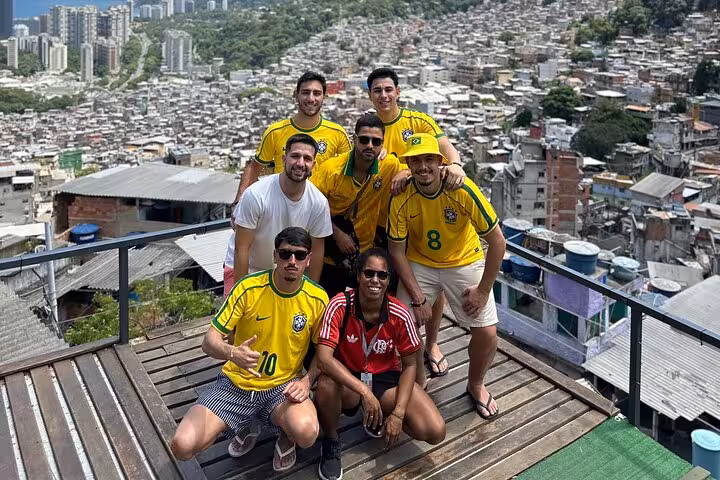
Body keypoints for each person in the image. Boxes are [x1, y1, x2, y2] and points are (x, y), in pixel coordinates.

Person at [170, 227, 328, 472]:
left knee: (307, 433)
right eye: (285, 254)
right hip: (237, 383)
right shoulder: (248, 287)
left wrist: (307, 381)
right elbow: (208, 341)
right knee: (182, 445)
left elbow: (323, 350)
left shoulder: (317, 298)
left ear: (309, 260)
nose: (292, 261)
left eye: (299, 255)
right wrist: (232, 353)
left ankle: (284, 435)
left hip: (282, 386)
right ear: (275, 256)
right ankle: (244, 423)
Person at [387, 133, 506, 420]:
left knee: (487, 332)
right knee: (405, 323)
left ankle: (475, 383)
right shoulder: (403, 196)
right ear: (408, 165)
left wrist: (483, 290)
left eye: (429, 159)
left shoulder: (463, 190)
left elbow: (498, 242)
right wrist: (417, 297)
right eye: (416, 161)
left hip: (462, 259)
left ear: (441, 163)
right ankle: (418, 381)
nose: (423, 167)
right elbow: (397, 251)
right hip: (420, 262)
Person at [367, 67, 466, 383]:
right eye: (377, 90)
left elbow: (447, 152)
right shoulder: (367, 131)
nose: (383, 95)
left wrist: (456, 167)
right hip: (382, 224)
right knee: (390, 291)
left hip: (422, 222)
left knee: (432, 291)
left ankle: (432, 345)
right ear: (370, 96)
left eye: (388, 89)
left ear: (398, 92)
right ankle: (397, 349)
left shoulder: (418, 123)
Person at [314, 248, 446, 480]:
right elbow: (324, 359)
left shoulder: (399, 313)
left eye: (382, 275)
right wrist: (363, 391)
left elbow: (410, 366)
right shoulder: (339, 304)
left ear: (388, 280)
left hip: (385, 377)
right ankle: (332, 441)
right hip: (349, 377)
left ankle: (383, 415)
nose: (375, 280)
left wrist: (398, 413)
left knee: (435, 431)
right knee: (325, 386)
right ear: (358, 276)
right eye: (369, 273)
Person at [223, 133, 333, 297]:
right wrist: (241, 294)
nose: (300, 163)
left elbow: (316, 254)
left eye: (307, 158)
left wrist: (310, 295)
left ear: (314, 164)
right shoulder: (256, 194)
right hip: (247, 268)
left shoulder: (318, 203)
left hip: (286, 273)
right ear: (283, 159)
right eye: (295, 156)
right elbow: (241, 248)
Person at [311, 113, 403, 298]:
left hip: (364, 251)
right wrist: (338, 235)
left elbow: (414, 171)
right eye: (364, 139)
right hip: (330, 254)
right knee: (326, 304)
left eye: (376, 142)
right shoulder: (332, 170)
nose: (370, 145)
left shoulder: (388, 166)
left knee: (371, 303)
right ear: (354, 139)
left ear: (383, 144)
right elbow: (310, 206)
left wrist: (404, 173)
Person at [232, 71, 352, 204]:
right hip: (280, 206)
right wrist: (239, 203)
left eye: (317, 93)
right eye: (305, 92)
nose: (311, 99)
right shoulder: (276, 131)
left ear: (325, 97)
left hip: (320, 209)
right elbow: (254, 168)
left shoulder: (338, 134)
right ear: (296, 95)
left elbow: (350, 173)